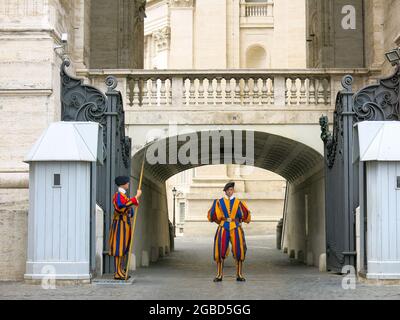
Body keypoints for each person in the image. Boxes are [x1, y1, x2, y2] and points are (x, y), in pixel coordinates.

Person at [207, 181, 251, 282]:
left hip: (236, 228)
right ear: (225, 191)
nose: (230, 191)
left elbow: (245, 214)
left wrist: (240, 221)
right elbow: (212, 215)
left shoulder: (238, 202)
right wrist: (220, 222)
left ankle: (239, 274)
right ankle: (219, 275)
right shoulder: (219, 202)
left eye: (231, 190)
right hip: (223, 228)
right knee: (220, 251)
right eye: (228, 190)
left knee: (239, 251)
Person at [108, 176, 142, 280]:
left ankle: (121, 270)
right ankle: (117, 272)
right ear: (122, 184)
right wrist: (136, 197)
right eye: (127, 182)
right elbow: (120, 207)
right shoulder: (118, 196)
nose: (128, 184)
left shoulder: (123, 196)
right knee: (119, 248)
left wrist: (132, 207)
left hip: (125, 225)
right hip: (120, 225)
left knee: (123, 249)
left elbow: (128, 207)